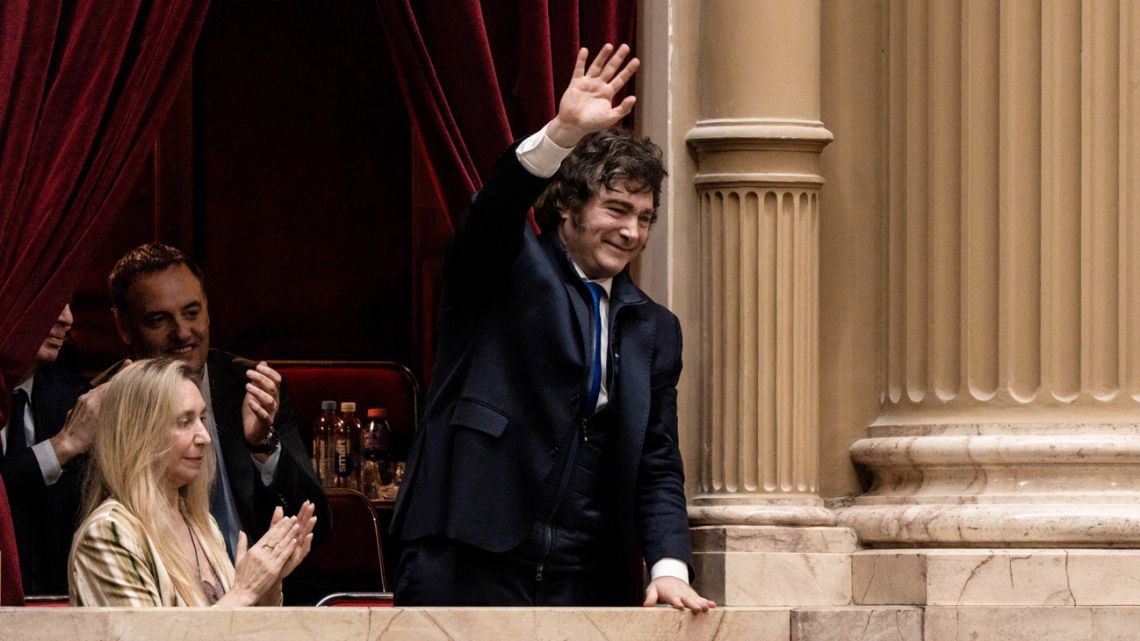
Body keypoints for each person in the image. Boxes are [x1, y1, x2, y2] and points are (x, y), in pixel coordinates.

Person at [391, 44, 715, 611]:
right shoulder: (505, 267)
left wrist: (668, 566)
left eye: (644, 218)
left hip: (583, 577)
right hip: (466, 557)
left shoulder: (654, 329)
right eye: (616, 209)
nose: (632, 232)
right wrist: (562, 134)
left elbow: (658, 461)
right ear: (567, 206)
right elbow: (493, 210)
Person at [99, 243, 329, 555]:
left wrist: (262, 446)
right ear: (124, 327)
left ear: (208, 310)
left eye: (192, 313)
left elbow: (317, 524)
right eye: (158, 320)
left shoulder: (252, 387)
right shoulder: (103, 404)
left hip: (258, 588)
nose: (182, 333)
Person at [70, 358, 316, 606]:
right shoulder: (108, 535)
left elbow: (235, 628)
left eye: (202, 418)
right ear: (140, 433)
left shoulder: (202, 523)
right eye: (185, 422)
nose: (205, 437)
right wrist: (244, 591)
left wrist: (267, 584)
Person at [0, 304, 101, 595]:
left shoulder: (74, 395)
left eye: (70, 302)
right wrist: (60, 448)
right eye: (51, 297)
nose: (67, 318)